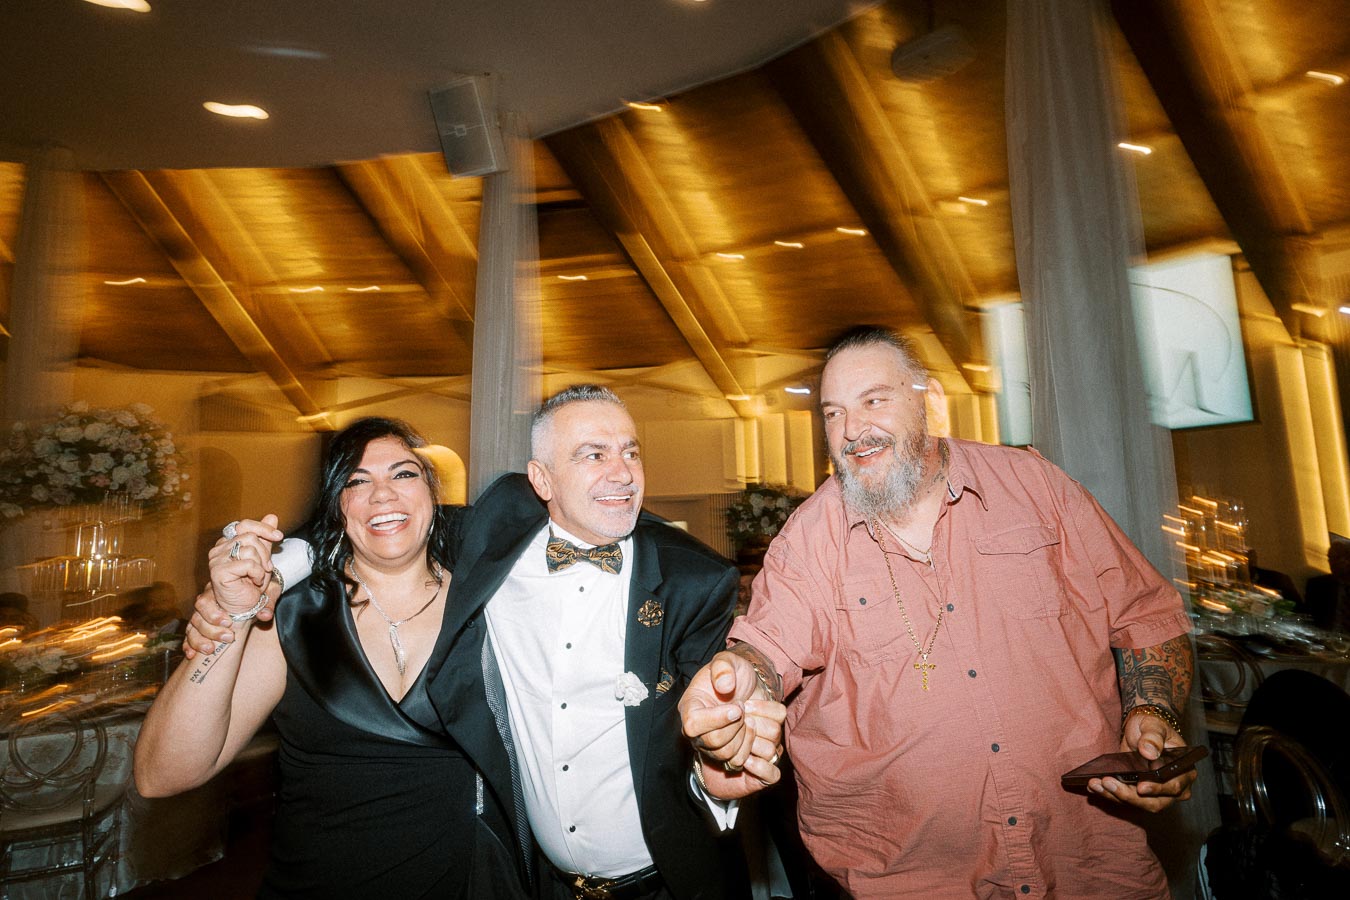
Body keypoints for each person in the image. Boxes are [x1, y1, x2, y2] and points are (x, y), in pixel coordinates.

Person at [185, 386, 786, 900]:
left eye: (630, 451)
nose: (622, 471)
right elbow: (385, 522)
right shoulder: (494, 533)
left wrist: (718, 764)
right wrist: (275, 566)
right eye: (593, 454)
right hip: (541, 881)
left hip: (671, 882)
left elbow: (713, 721)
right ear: (541, 480)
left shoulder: (693, 581)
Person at [679, 326, 1198, 899]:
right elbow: (766, 649)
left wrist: (1154, 712)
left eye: (874, 400)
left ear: (928, 401)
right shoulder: (808, 542)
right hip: (911, 882)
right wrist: (738, 689)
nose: (852, 431)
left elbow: (1147, 615)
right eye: (833, 414)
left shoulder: (1037, 488)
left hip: (1093, 869)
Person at [135, 417, 524, 899]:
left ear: (432, 491)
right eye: (357, 482)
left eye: (403, 474)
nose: (382, 495)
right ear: (337, 506)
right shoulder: (292, 617)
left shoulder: (493, 604)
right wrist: (234, 615)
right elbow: (163, 774)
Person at [1304, 533, 1350, 633]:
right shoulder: (1317, 585)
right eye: (1329, 558)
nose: (1331, 563)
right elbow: (1308, 619)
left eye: (1337, 558)